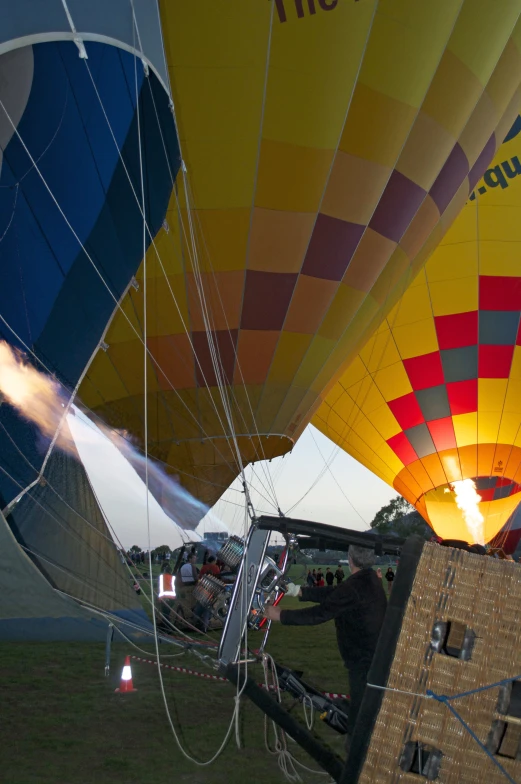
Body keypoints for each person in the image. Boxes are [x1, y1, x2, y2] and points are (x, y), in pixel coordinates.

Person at [263, 545, 387, 744]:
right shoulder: (368, 580)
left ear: (350, 558)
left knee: (360, 721)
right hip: (371, 658)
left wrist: (280, 615)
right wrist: (297, 591)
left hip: (364, 663)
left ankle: (357, 764)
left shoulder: (356, 586)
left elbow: (319, 614)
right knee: (364, 712)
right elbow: (334, 592)